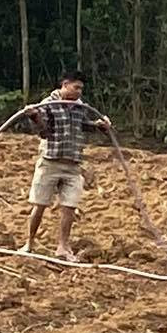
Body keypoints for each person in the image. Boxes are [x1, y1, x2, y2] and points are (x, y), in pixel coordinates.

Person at [22, 71, 110, 261]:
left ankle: (63, 247)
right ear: (65, 84)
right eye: (76, 87)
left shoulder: (80, 108)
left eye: (81, 89)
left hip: (73, 164)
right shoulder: (47, 104)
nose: (79, 92)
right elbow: (43, 130)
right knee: (40, 205)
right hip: (50, 162)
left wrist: (99, 126)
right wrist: (35, 117)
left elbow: (83, 125)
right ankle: (29, 243)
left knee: (69, 207)